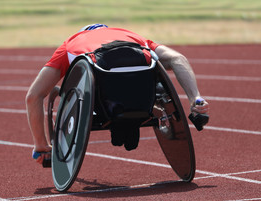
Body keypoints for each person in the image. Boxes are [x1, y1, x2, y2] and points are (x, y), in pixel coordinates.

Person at [26, 24, 209, 165]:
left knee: (99, 81)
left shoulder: (72, 42)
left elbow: (34, 96)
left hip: (104, 91)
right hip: (143, 92)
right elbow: (178, 59)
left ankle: (119, 118)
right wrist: (195, 97)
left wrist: (42, 146)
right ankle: (197, 103)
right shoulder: (132, 35)